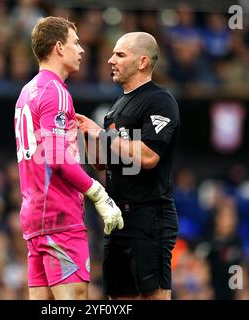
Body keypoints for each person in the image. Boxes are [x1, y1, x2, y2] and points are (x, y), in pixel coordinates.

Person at [14, 16, 123, 300]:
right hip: (60, 218)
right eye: (76, 43)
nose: (82, 50)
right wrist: (99, 194)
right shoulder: (56, 93)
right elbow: (59, 159)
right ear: (59, 48)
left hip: (34, 218)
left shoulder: (26, 93)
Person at [76, 32, 180, 300]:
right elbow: (101, 164)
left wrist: (101, 134)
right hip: (118, 219)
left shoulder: (160, 100)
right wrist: (87, 134)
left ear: (143, 61)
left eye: (120, 54)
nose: (111, 60)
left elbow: (148, 157)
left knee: (153, 297)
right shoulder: (117, 105)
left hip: (150, 217)